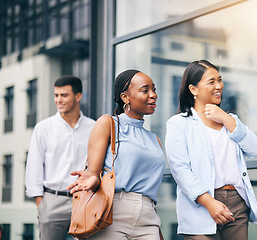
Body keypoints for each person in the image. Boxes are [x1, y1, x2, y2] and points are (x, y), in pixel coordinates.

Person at [165, 60, 257, 240]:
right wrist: (210, 203)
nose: (219, 86)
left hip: (236, 203)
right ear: (193, 89)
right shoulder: (179, 123)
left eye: (220, 80)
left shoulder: (230, 120)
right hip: (201, 203)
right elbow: (180, 170)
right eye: (211, 82)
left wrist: (226, 119)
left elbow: (256, 148)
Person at [67, 70, 165, 240]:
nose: (153, 95)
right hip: (113, 214)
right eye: (145, 90)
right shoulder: (108, 123)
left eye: (154, 90)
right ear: (125, 97)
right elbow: (94, 172)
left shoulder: (154, 139)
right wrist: (91, 178)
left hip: (148, 217)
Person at [25, 75, 95, 240]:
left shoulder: (94, 127)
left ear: (78, 96)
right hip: (52, 201)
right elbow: (34, 166)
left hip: (84, 201)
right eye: (56, 95)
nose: (58, 100)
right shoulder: (43, 128)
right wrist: (41, 205)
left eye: (64, 95)